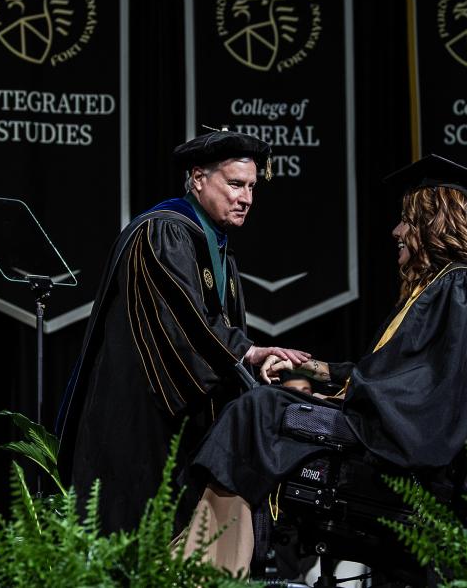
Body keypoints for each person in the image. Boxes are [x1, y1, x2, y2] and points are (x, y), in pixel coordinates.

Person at [181, 154, 467, 574]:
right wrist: (308, 368)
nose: (396, 231)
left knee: (259, 409)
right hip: (387, 426)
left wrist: (349, 389)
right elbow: (386, 371)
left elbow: (428, 388)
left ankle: (206, 565)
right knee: (262, 402)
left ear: (435, 223)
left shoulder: (462, 288)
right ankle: (208, 553)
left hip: (400, 441)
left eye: (407, 221)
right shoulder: (443, 288)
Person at [55, 130, 309, 534]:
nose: (246, 198)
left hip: (174, 423)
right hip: (142, 418)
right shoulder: (163, 232)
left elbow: (216, 329)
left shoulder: (213, 242)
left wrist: (250, 363)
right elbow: (182, 325)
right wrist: (247, 354)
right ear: (197, 178)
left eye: (252, 187)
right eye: (235, 184)